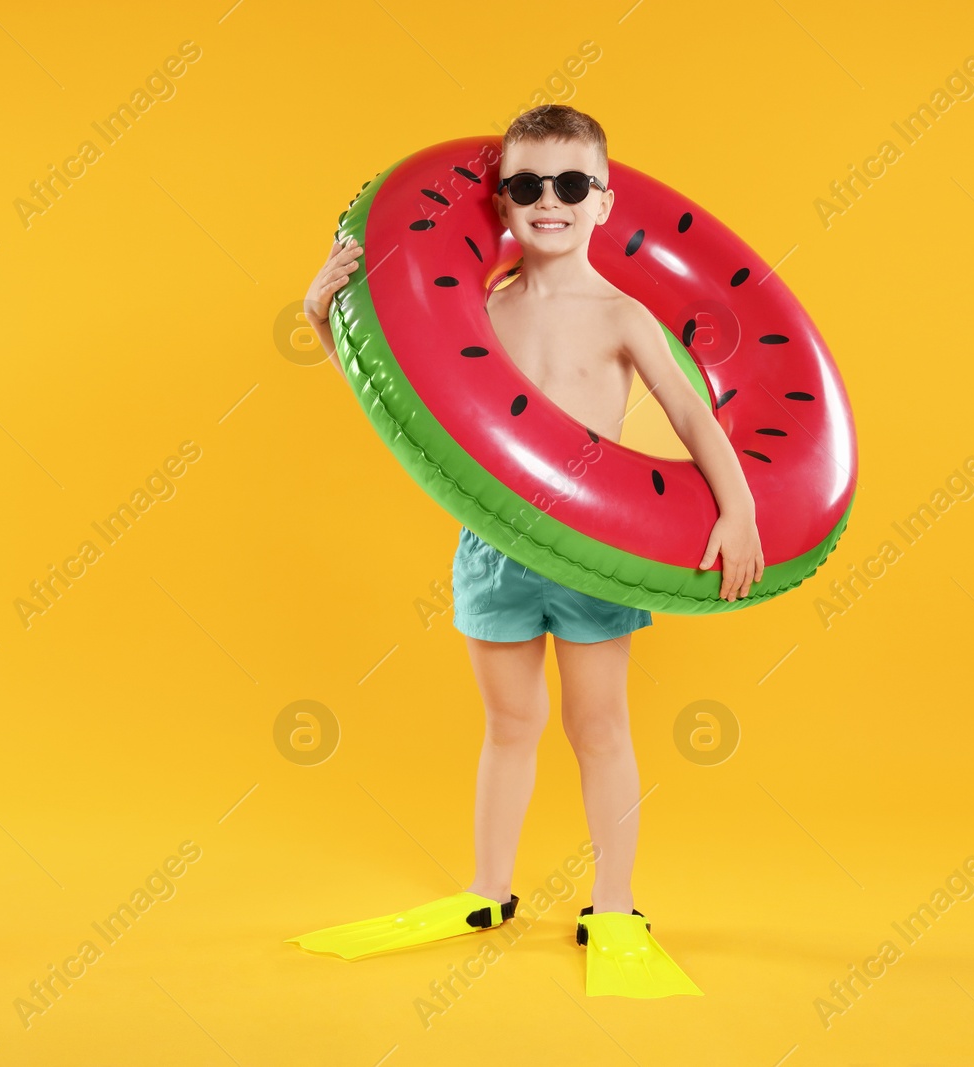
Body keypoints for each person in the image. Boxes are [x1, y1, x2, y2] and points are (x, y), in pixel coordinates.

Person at [291, 104, 762, 998]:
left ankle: (615, 902)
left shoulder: (624, 314)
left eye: (571, 184)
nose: (550, 201)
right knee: (508, 726)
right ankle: (488, 888)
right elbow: (399, 398)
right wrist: (323, 316)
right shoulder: (478, 313)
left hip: (594, 551)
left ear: (604, 201)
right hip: (493, 548)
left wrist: (736, 508)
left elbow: (695, 414)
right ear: (502, 203)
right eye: (527, 186)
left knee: (600, 728)